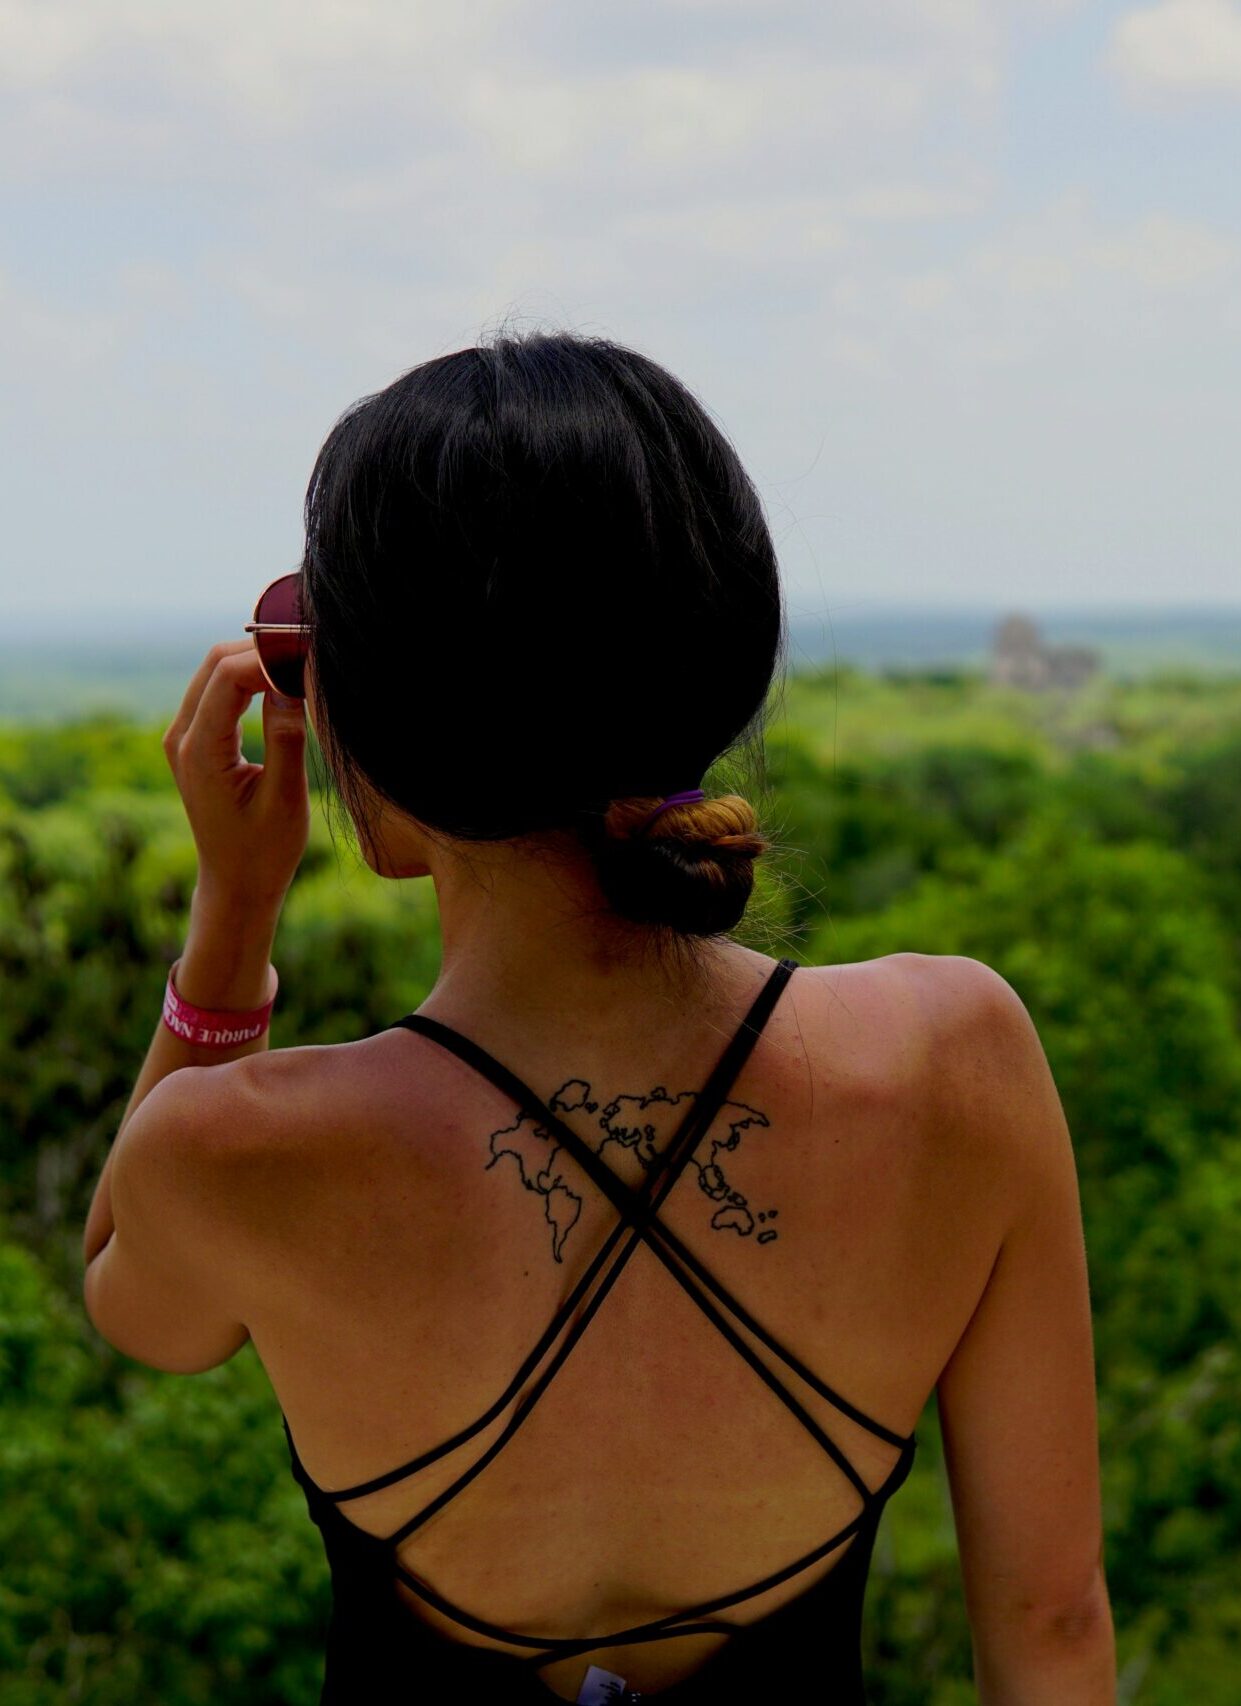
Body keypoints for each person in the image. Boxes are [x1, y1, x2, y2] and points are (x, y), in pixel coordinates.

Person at [78, 333, 1115, 1704]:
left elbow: (131, 1300)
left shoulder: (234, 1153)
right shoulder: (956, 1056)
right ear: (720, 650)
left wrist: (232, 917)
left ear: (366, 717)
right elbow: (1048, 1629)